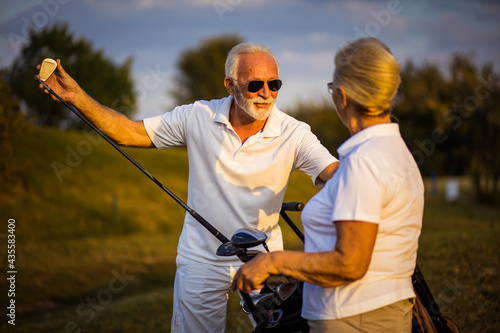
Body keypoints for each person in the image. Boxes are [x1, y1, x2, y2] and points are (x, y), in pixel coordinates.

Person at [36, 42, 339, 332]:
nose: (266, 93)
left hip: (265, 259)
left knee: (288, 331)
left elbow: (334, 174)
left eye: (274, 85)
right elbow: (128, 132)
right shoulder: (197, 115)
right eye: (254, 85)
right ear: (230, 86)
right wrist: (77, 98)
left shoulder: (295, 132)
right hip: (201, 261)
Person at [231, 37, 424, 333]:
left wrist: (273, 263)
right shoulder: (395, 151)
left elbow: (350, 264)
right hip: (381, 312)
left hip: (354, 319)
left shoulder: (364, 162)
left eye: (331, 88)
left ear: (342, 97)